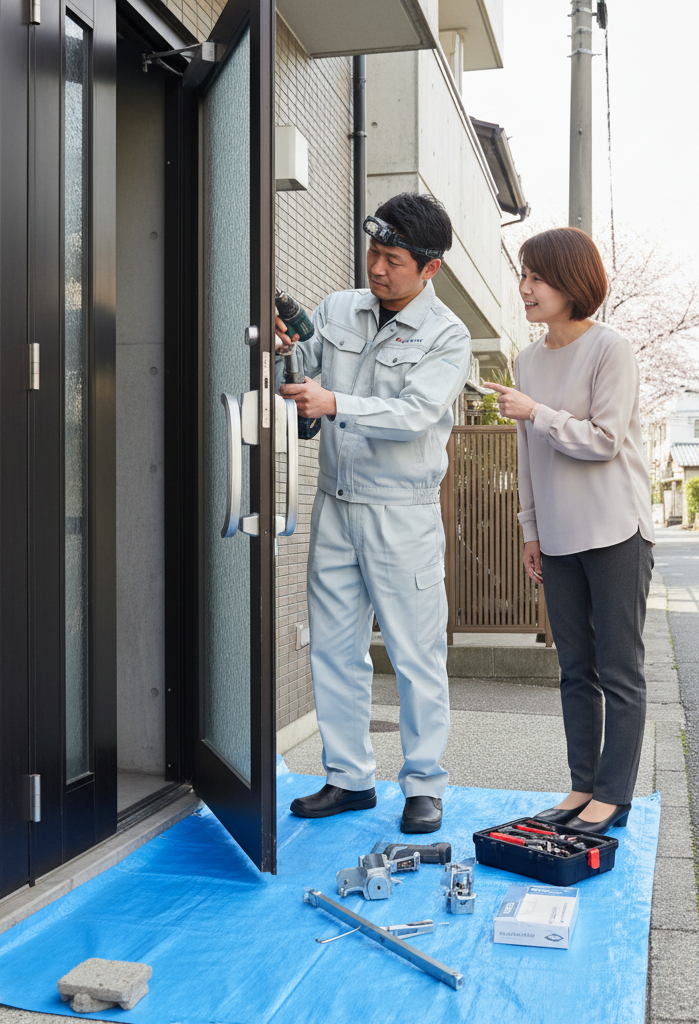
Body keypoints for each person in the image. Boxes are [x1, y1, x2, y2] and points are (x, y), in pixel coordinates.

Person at [275, 193, 472, 834]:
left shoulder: (447, 335)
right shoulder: (338, 309)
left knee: (415, 655)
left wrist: (335, 401)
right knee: (333, 649)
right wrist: (285, 355)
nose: (377, 269)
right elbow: (302, 375)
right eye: (373, 254)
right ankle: (348, 777)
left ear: (429, 268)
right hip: (334, 504)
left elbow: (415, 414)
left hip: (401, 515)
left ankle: (423, 783)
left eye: (391, 259)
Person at [488, 227, 655, 835]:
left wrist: (539, 412)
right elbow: (528, 455)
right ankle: (581, 785)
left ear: (572, 282)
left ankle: (613, 794)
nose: (525, 288)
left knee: (619, 669)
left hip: (615, 529)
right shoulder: (527, 360)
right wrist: (529, 528)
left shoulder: (612, 349)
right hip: (556, 537)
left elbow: (605, 441)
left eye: (537, 277)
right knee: (573, 668)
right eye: (524, 275)